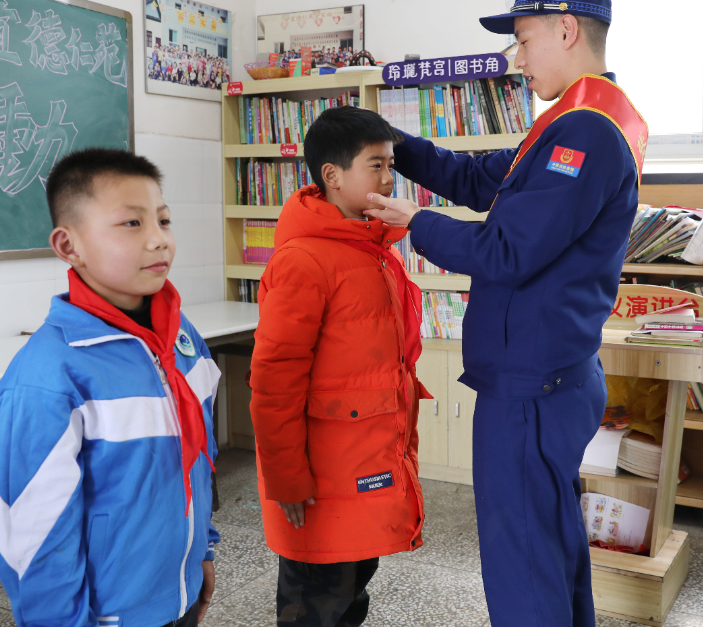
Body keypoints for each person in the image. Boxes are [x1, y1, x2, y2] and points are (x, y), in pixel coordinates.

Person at [363, 0, 648, 627]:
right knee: (550, 548)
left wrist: (413, 222)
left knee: (523, 563)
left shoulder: (586, 133)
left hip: (531, 390)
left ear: (567, 29)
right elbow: (481, 176)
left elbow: (506, 251)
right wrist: (395, 145)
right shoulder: (582, 119)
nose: (516, 60)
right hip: (553, 376)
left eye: (523, 39)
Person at [0, 149, 221, 627]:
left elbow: (199, 460)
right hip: (110, 616)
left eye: (163, 221)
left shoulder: (182, 338)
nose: (159, 241)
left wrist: (202, 549)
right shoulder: (49, 376)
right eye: (132, 224)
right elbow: (35, 539)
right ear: (68, 245)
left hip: (177, 593)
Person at [250, 106, 431, 627]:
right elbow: (274, 380)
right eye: (375, 165)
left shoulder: (373, 248)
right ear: (332, 176)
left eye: (390, 163)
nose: (388, 177)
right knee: (315, 602)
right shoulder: (304, 260)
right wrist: (286, 478)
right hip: (319, 476)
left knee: (352, 592)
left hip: (365, 462)